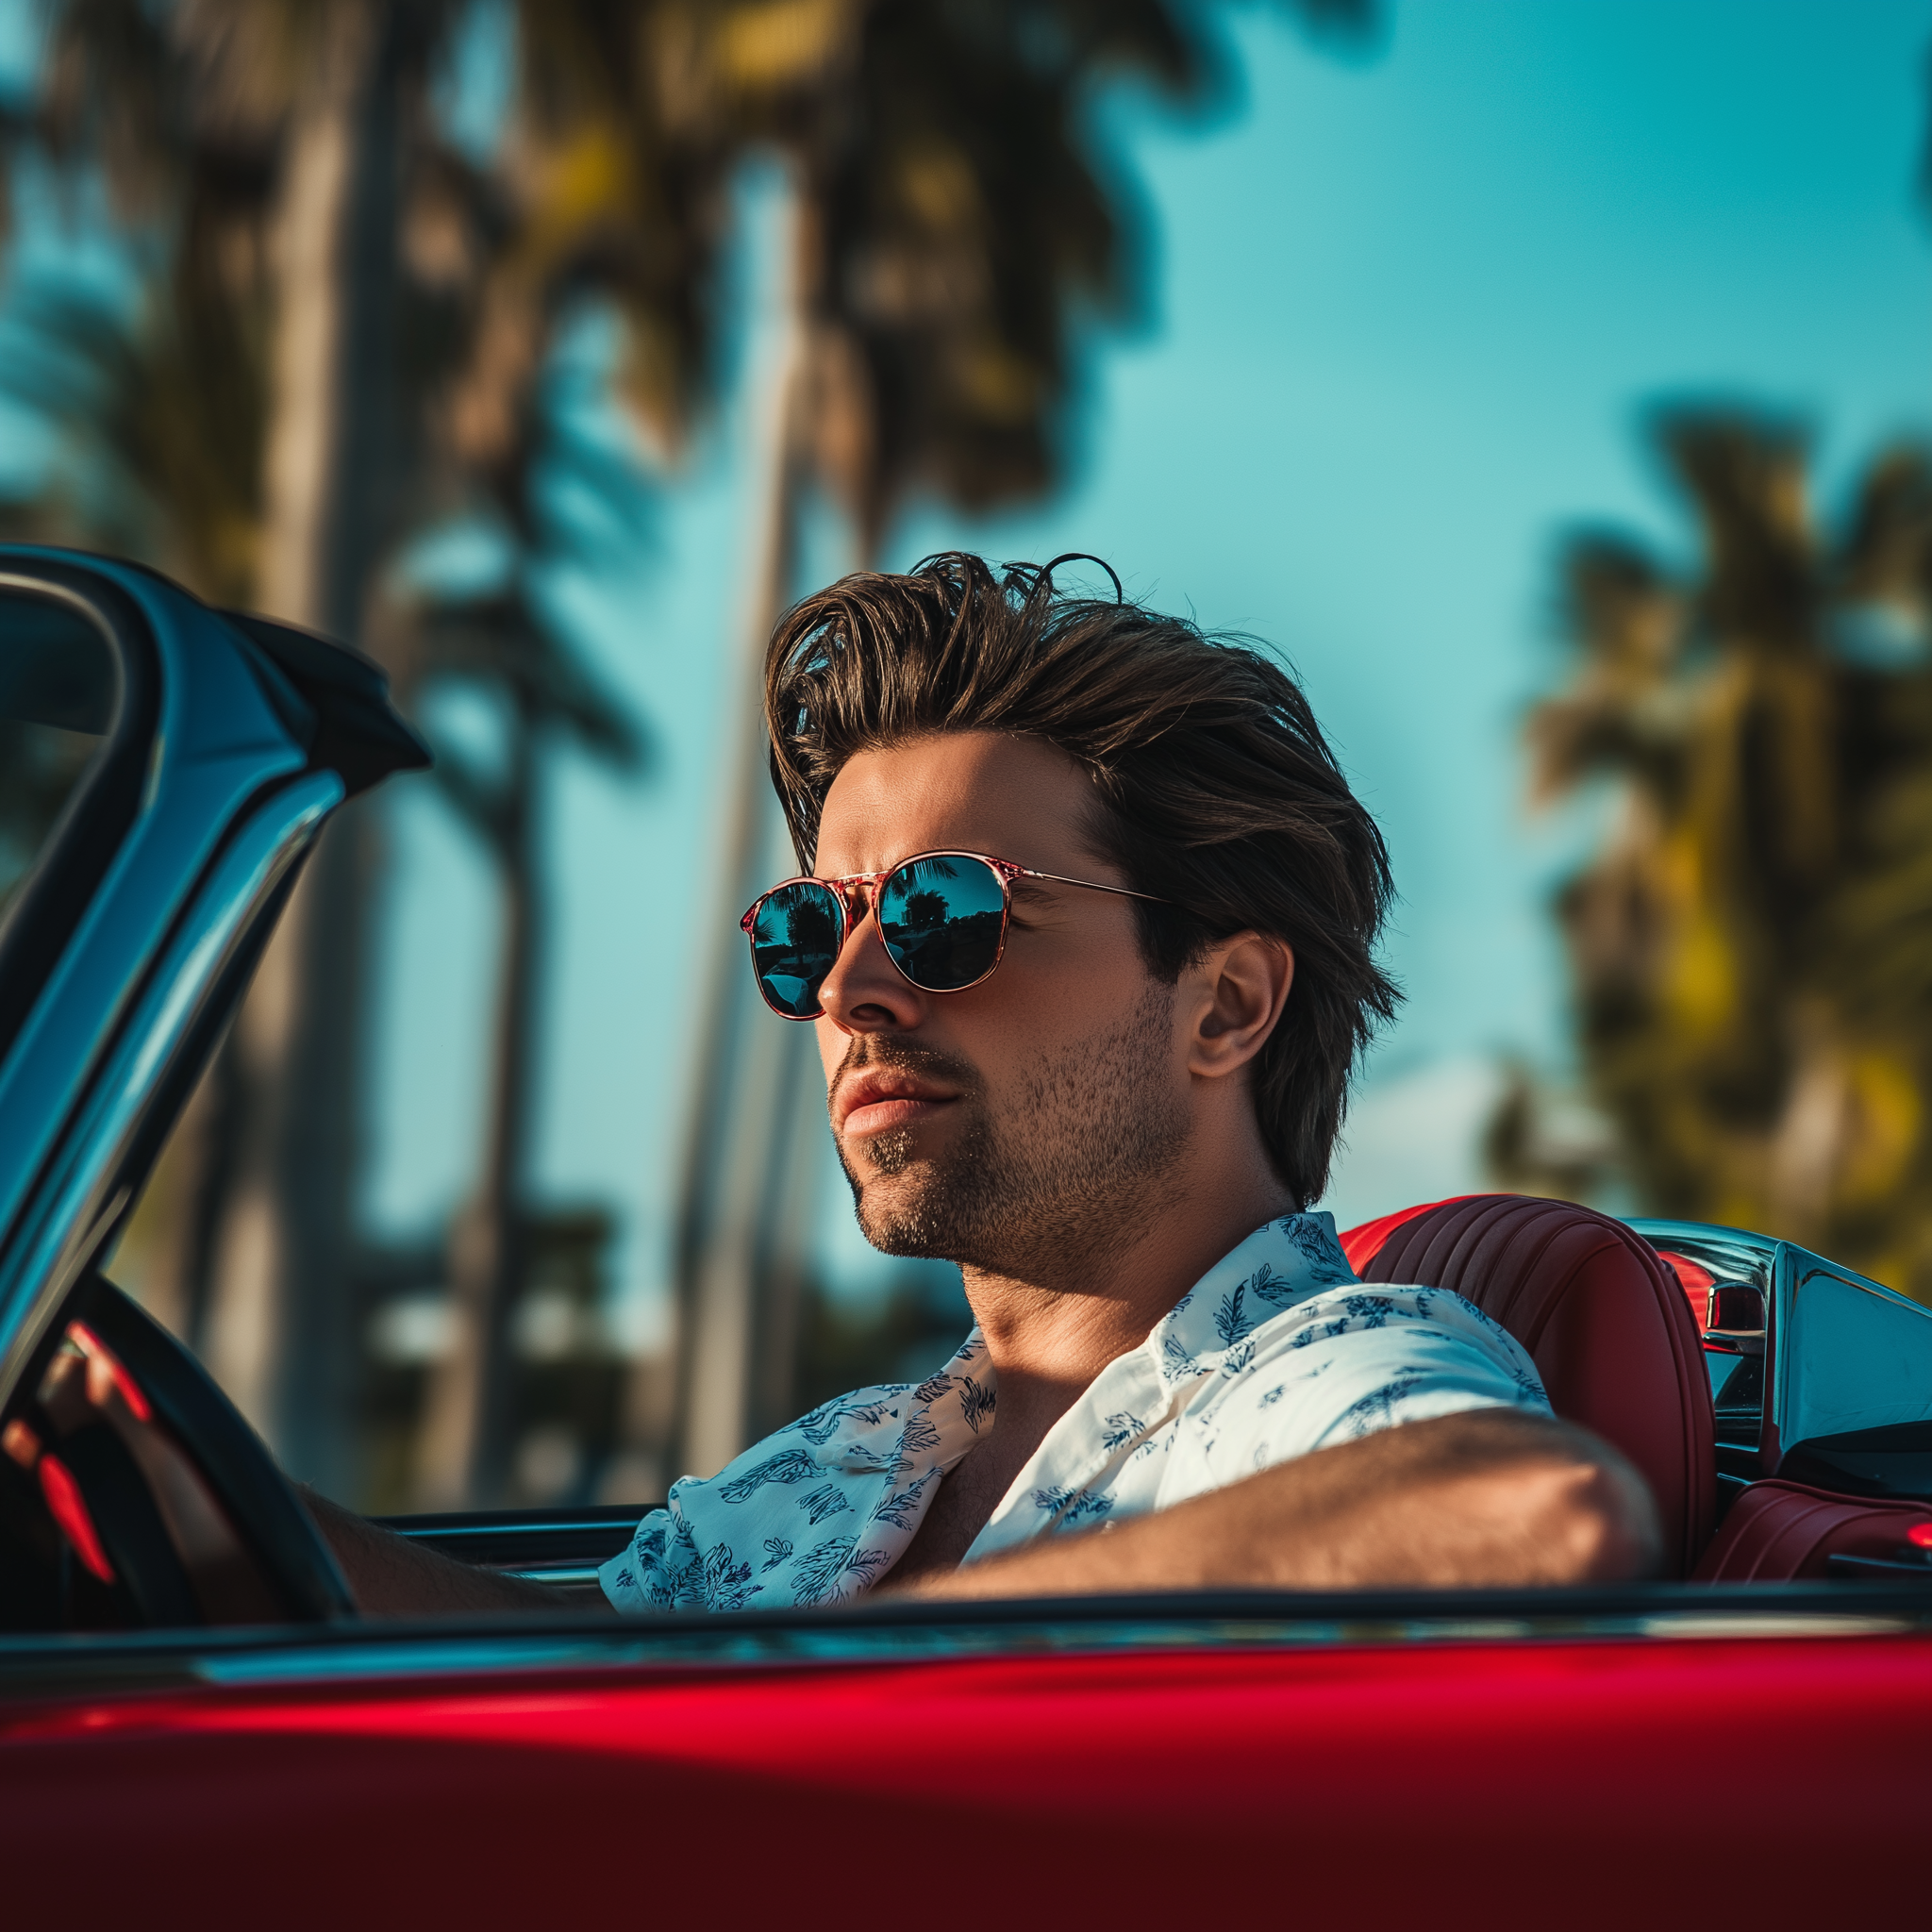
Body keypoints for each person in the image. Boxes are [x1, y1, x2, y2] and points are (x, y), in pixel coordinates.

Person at [309, 553, 1657, 1614]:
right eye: (804, 929)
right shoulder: (847, 1460)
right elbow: (570, 1685)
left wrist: (868, 1673)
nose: (845, 990)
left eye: (942, 914)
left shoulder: (1303, 1384)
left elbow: (1532, 1511)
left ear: (1225, 1005)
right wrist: (212, 1515)